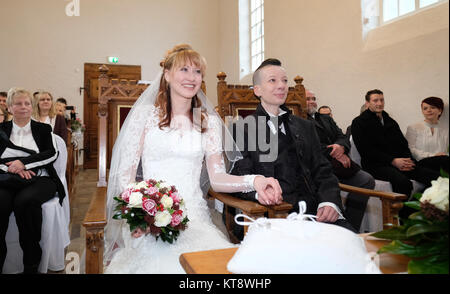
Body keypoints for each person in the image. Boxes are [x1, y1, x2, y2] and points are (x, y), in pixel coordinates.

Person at [103, 44, 282, 274]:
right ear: (167, 75)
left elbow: (217, 178)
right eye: (184, 70)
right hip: (149, 222)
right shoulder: (144, 117)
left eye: (197, 72)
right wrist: (140, 216)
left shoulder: (208, 123)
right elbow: (126, 176)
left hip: (194, 219)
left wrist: (254, 180)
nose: (192, 77)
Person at [231, 58, 356, 233]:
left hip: (316, 214)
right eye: (273, 80)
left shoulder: (305, 126)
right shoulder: (242, 129)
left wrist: (329, 202)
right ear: (257, 90)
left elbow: (323, 170)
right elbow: (239, 177)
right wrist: (260, 194)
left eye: (284, 80)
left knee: (353, 247)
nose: (281, 86)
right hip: (271, 216)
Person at [0, 88, 65, 274]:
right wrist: (12, 168)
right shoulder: (1, 130)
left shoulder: (43, 129)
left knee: (26, 202)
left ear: (32, 106)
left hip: (40, 178)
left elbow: (51, 153)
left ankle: (31, 262)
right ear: (10, 107)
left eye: (27, 103)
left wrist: (24, 164)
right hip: (6, 179)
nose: (23, 107)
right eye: (18, 104)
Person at [351, 89, 440, 217]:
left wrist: (408, 160)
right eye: (375, 100)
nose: (379, 103)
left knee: (436, 178)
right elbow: (367, 151)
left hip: (399, 161)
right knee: (403, 183)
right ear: (367, 103)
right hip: (376, 165)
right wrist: (392, 161)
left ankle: (419, 214)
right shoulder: (359, 122)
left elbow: (403, 144)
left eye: (382, 100)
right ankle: (403, 219)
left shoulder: (390, 121)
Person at [306, 90, 375, 232]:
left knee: (366, 180)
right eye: (307, 99)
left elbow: (342, 136)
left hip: (339, 164)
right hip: (319, 165)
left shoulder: (326, 118)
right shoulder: (298, 119)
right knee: (329, 184)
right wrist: (335, 152)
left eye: (313, 98)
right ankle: (336, 228)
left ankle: (351, 225)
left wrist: (341, 147)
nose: (312, 101)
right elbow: (309, 145)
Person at [405, 96, 449, 173]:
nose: (429, 110)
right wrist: (433, 155)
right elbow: (410, 149)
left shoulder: (445, 130)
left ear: (440, 111)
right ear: (422, 112)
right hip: (421, 163)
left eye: (432, 107)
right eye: (425, 108)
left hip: (441, 163)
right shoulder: (413, 128)